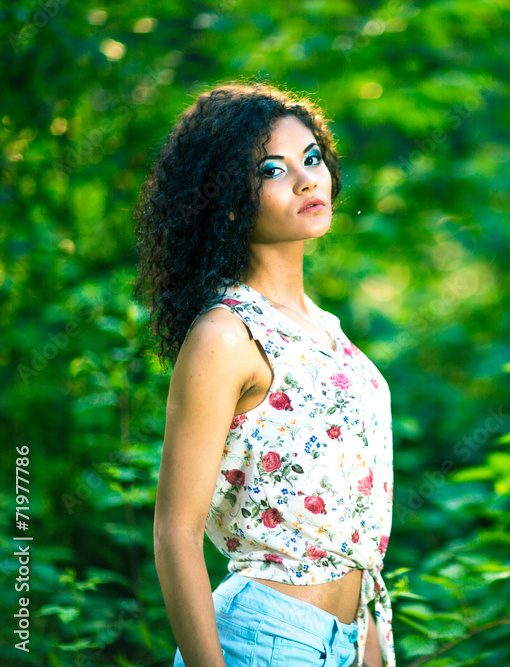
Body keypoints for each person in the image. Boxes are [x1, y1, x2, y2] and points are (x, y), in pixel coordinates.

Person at [133, 81, 395, 667]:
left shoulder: (326, 330)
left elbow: (353, 531)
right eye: (273, 170)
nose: (307, 179)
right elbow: (175, 534)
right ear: (227, 198)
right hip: (261, 642)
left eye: (311, 159)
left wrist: (365, 645)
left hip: (349, 643)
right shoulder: (225, 336)